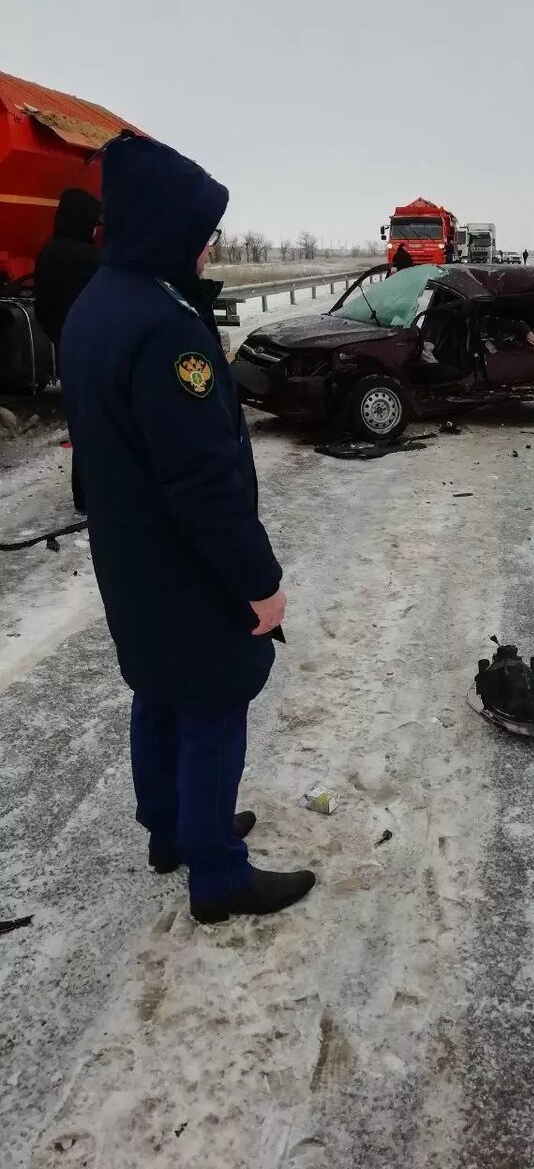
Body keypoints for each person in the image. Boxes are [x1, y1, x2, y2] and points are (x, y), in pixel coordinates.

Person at [61, 133, 315, 923]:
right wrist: (260, 583)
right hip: (183, 564)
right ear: (167, 226)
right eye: (202, 231)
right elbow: (202, 482)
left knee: (160, 689)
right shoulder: (165, 328)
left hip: (129, 555)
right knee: (211, 703)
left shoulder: (98, 303)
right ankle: (218, 874)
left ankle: (172, 830)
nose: (208, 246)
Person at [33, 188, 102, 513]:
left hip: (67, 348)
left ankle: (83, 495)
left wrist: (62, 337)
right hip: (98, 351)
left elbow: (42, 309)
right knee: (102, 421)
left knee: (79, 420)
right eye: (93, 224)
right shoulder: (91, 260)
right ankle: (98, 494)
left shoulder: (46, 255)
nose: (96, 231)